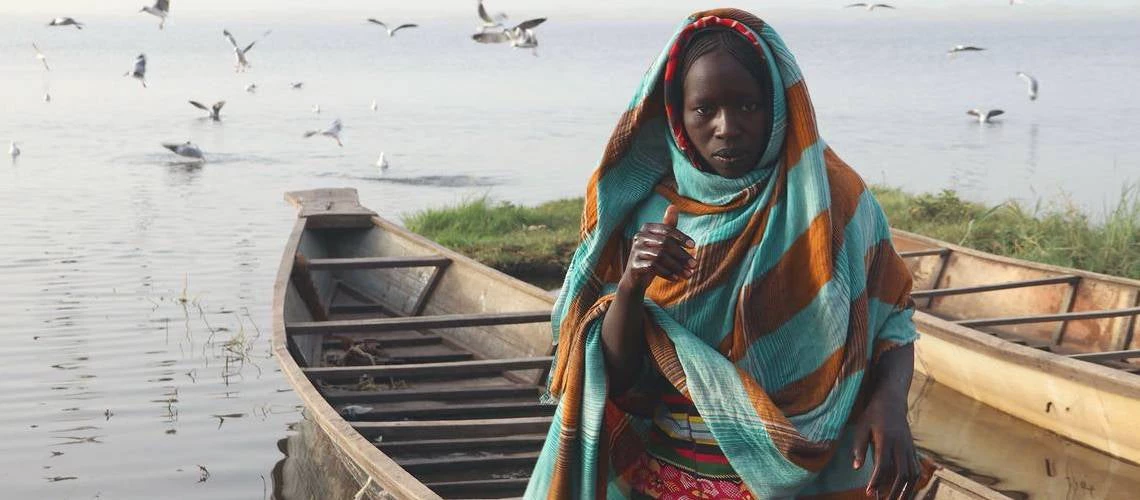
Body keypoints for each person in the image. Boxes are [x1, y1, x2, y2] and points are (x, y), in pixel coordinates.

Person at [527, 8, 928, 500]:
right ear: (676, 111)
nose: (727, 127)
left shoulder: (833, 201)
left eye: (747, 106)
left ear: (777, 106)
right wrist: (631, 284)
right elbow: (618, 375)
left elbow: (893, 318)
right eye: (705, 109)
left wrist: (890, 405)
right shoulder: (644, 209)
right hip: (669, 475)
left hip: (807, 479)